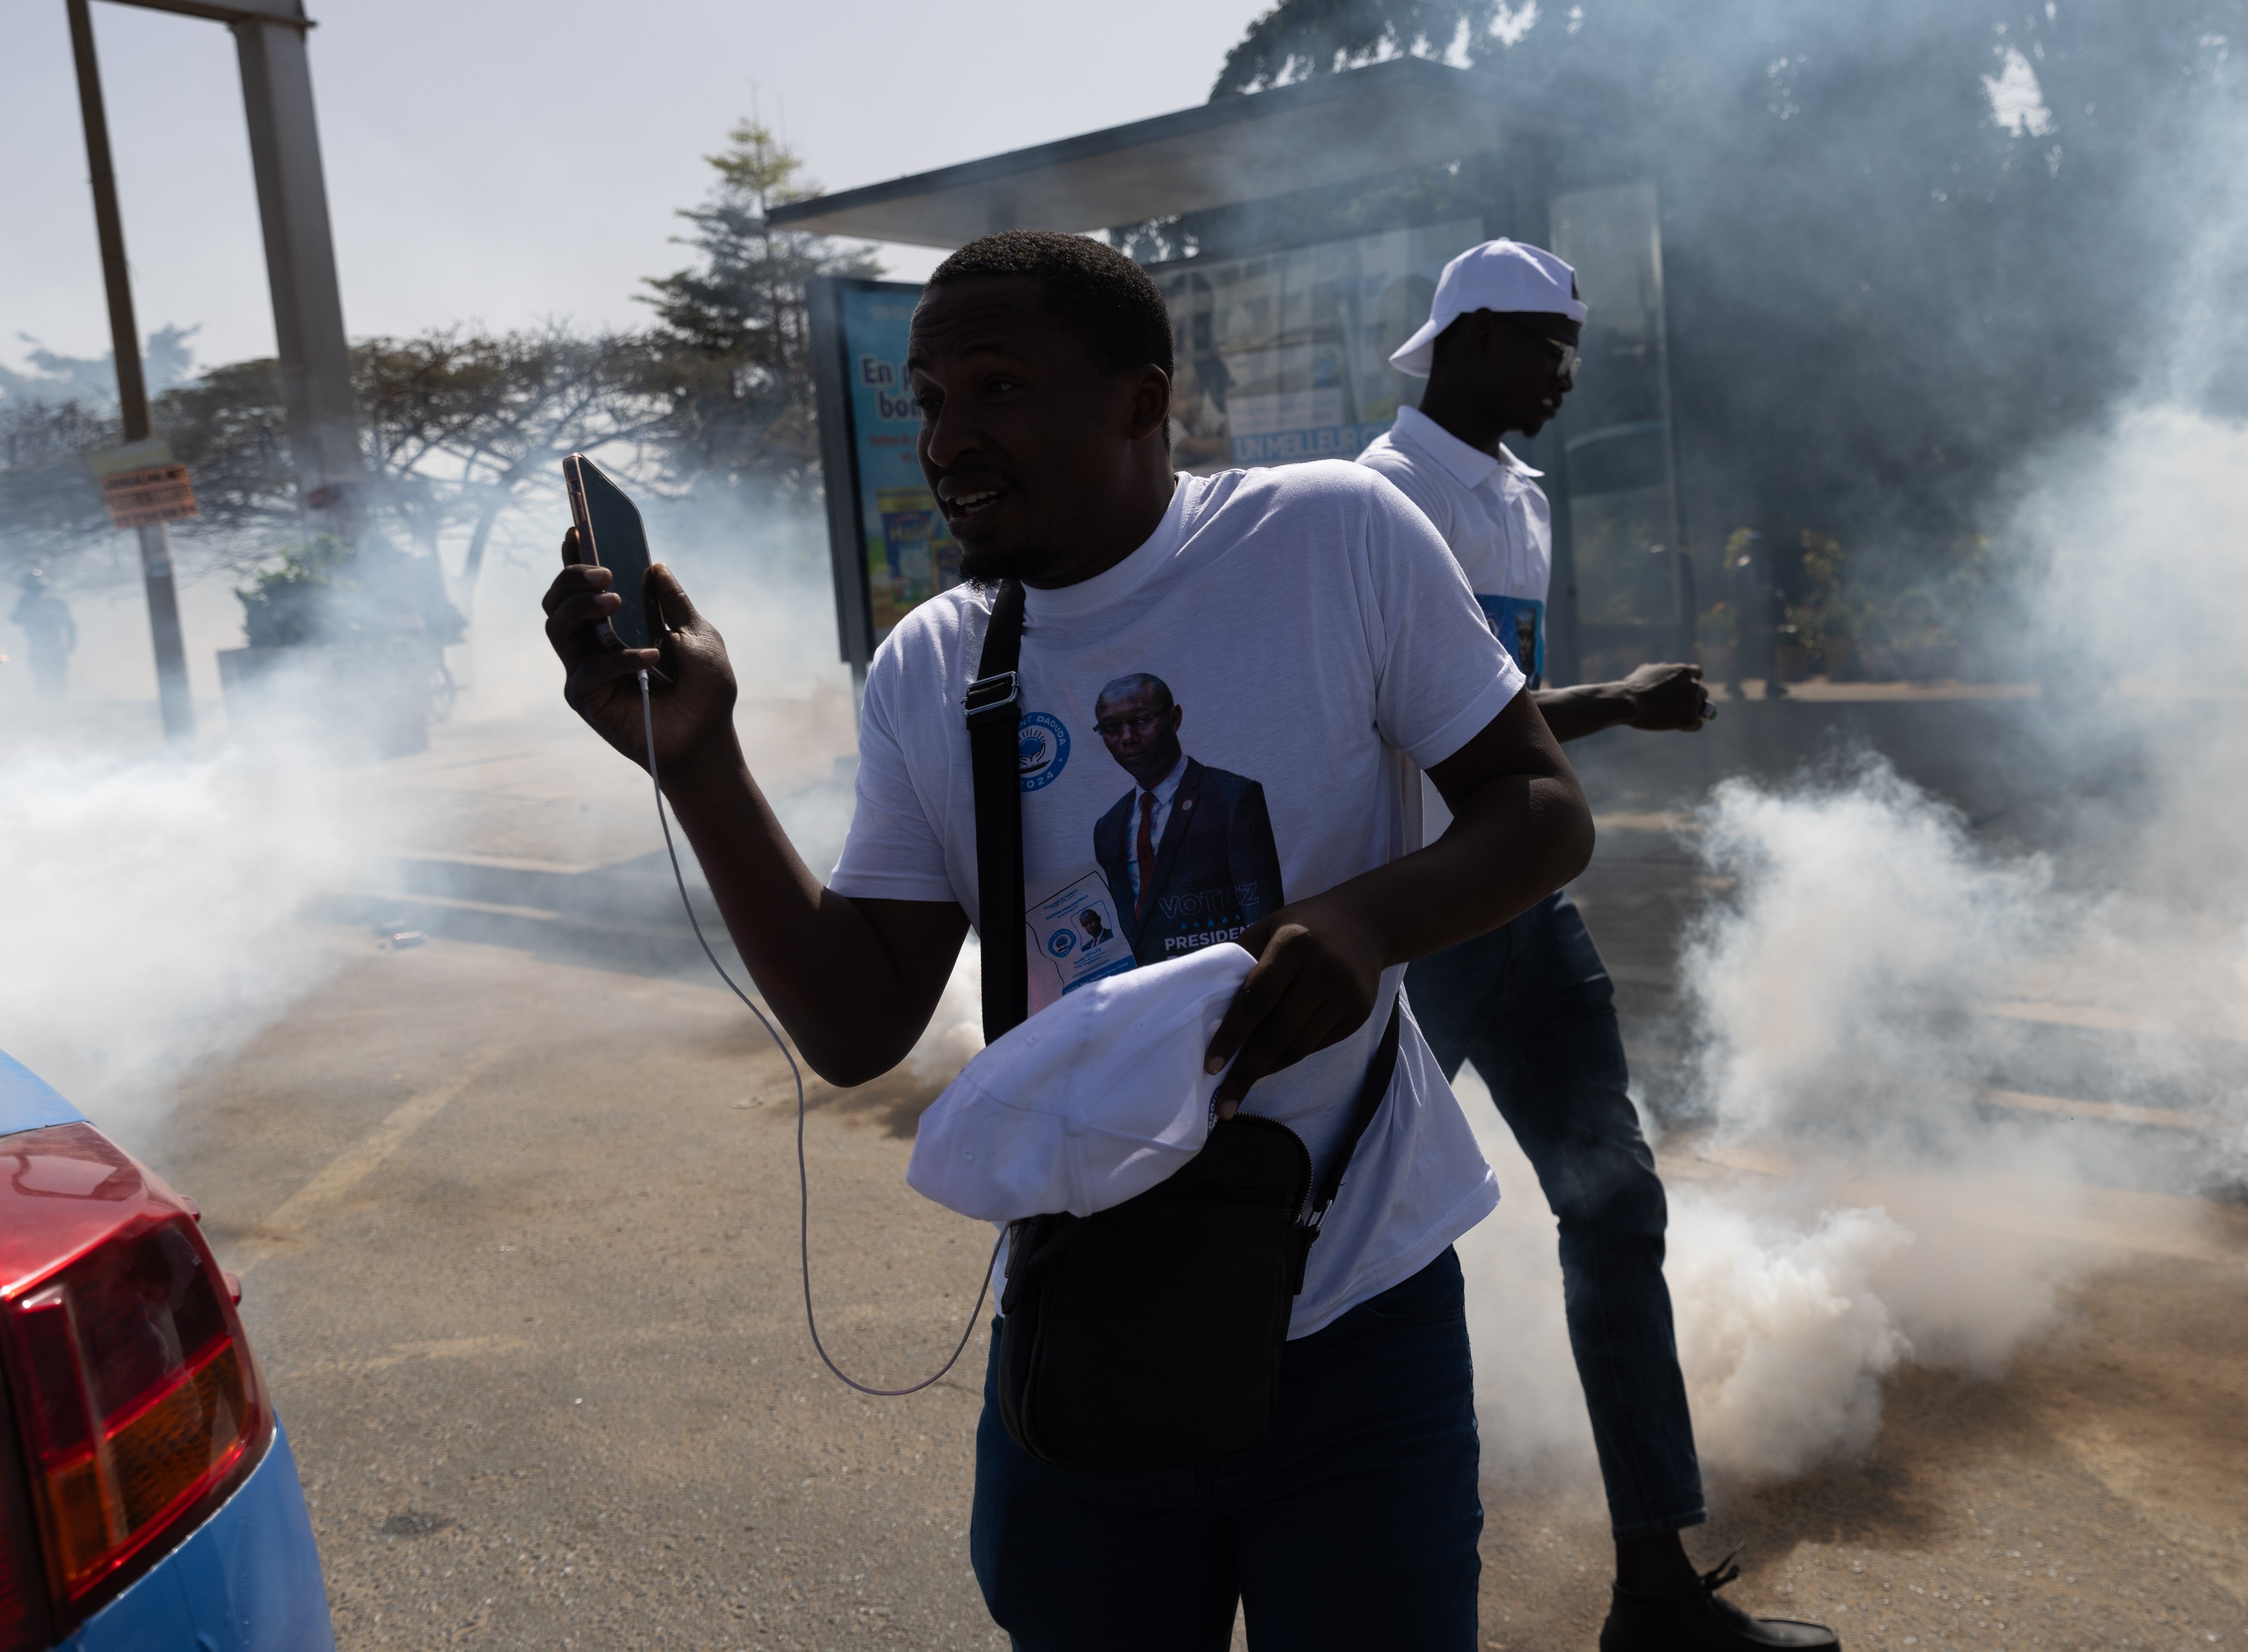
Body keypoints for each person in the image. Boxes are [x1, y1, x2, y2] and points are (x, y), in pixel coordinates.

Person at [541, 229, 1595, 1650]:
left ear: (1141, 400)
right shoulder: (933, 663)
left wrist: (1366, 916)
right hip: (1096, 1314)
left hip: (1360, 1308)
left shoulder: (1335, 536)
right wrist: (701, 761)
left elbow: (1539, 807)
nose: (948, 438)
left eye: (995, 387)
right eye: (925, 399)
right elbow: (857, 1025)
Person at [1360, 239, 1841, 1652]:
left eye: (1573, 350)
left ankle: (1654, 1591)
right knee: (1339, 1236)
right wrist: (1620, 704)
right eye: (1547, 349)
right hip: (1415, 914)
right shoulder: (1376, 503)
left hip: (1520, 905)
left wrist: (1590, 718)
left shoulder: (1515, 496)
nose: (1567, 377)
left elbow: (1496, 709)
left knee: (1615, 1207)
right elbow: (1434, 723)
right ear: (1471, 340)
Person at [1089, 671, 1285, 961]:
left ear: (1175, 719)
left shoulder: (1233, 798)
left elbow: (1263, 921)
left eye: (1142, 720)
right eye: (1111, 727)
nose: (1127, 737)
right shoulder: (1108, 827)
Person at [12, 568, 76, 700]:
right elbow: (16, 619)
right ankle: (50, 708)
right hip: (42, 647)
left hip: (51, 647)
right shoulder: (27, 602)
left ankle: (57, 707)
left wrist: (72, 643)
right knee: (44, 678)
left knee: (54, 678)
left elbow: (70, 624)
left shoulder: (55, 603)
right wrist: (72, 643)